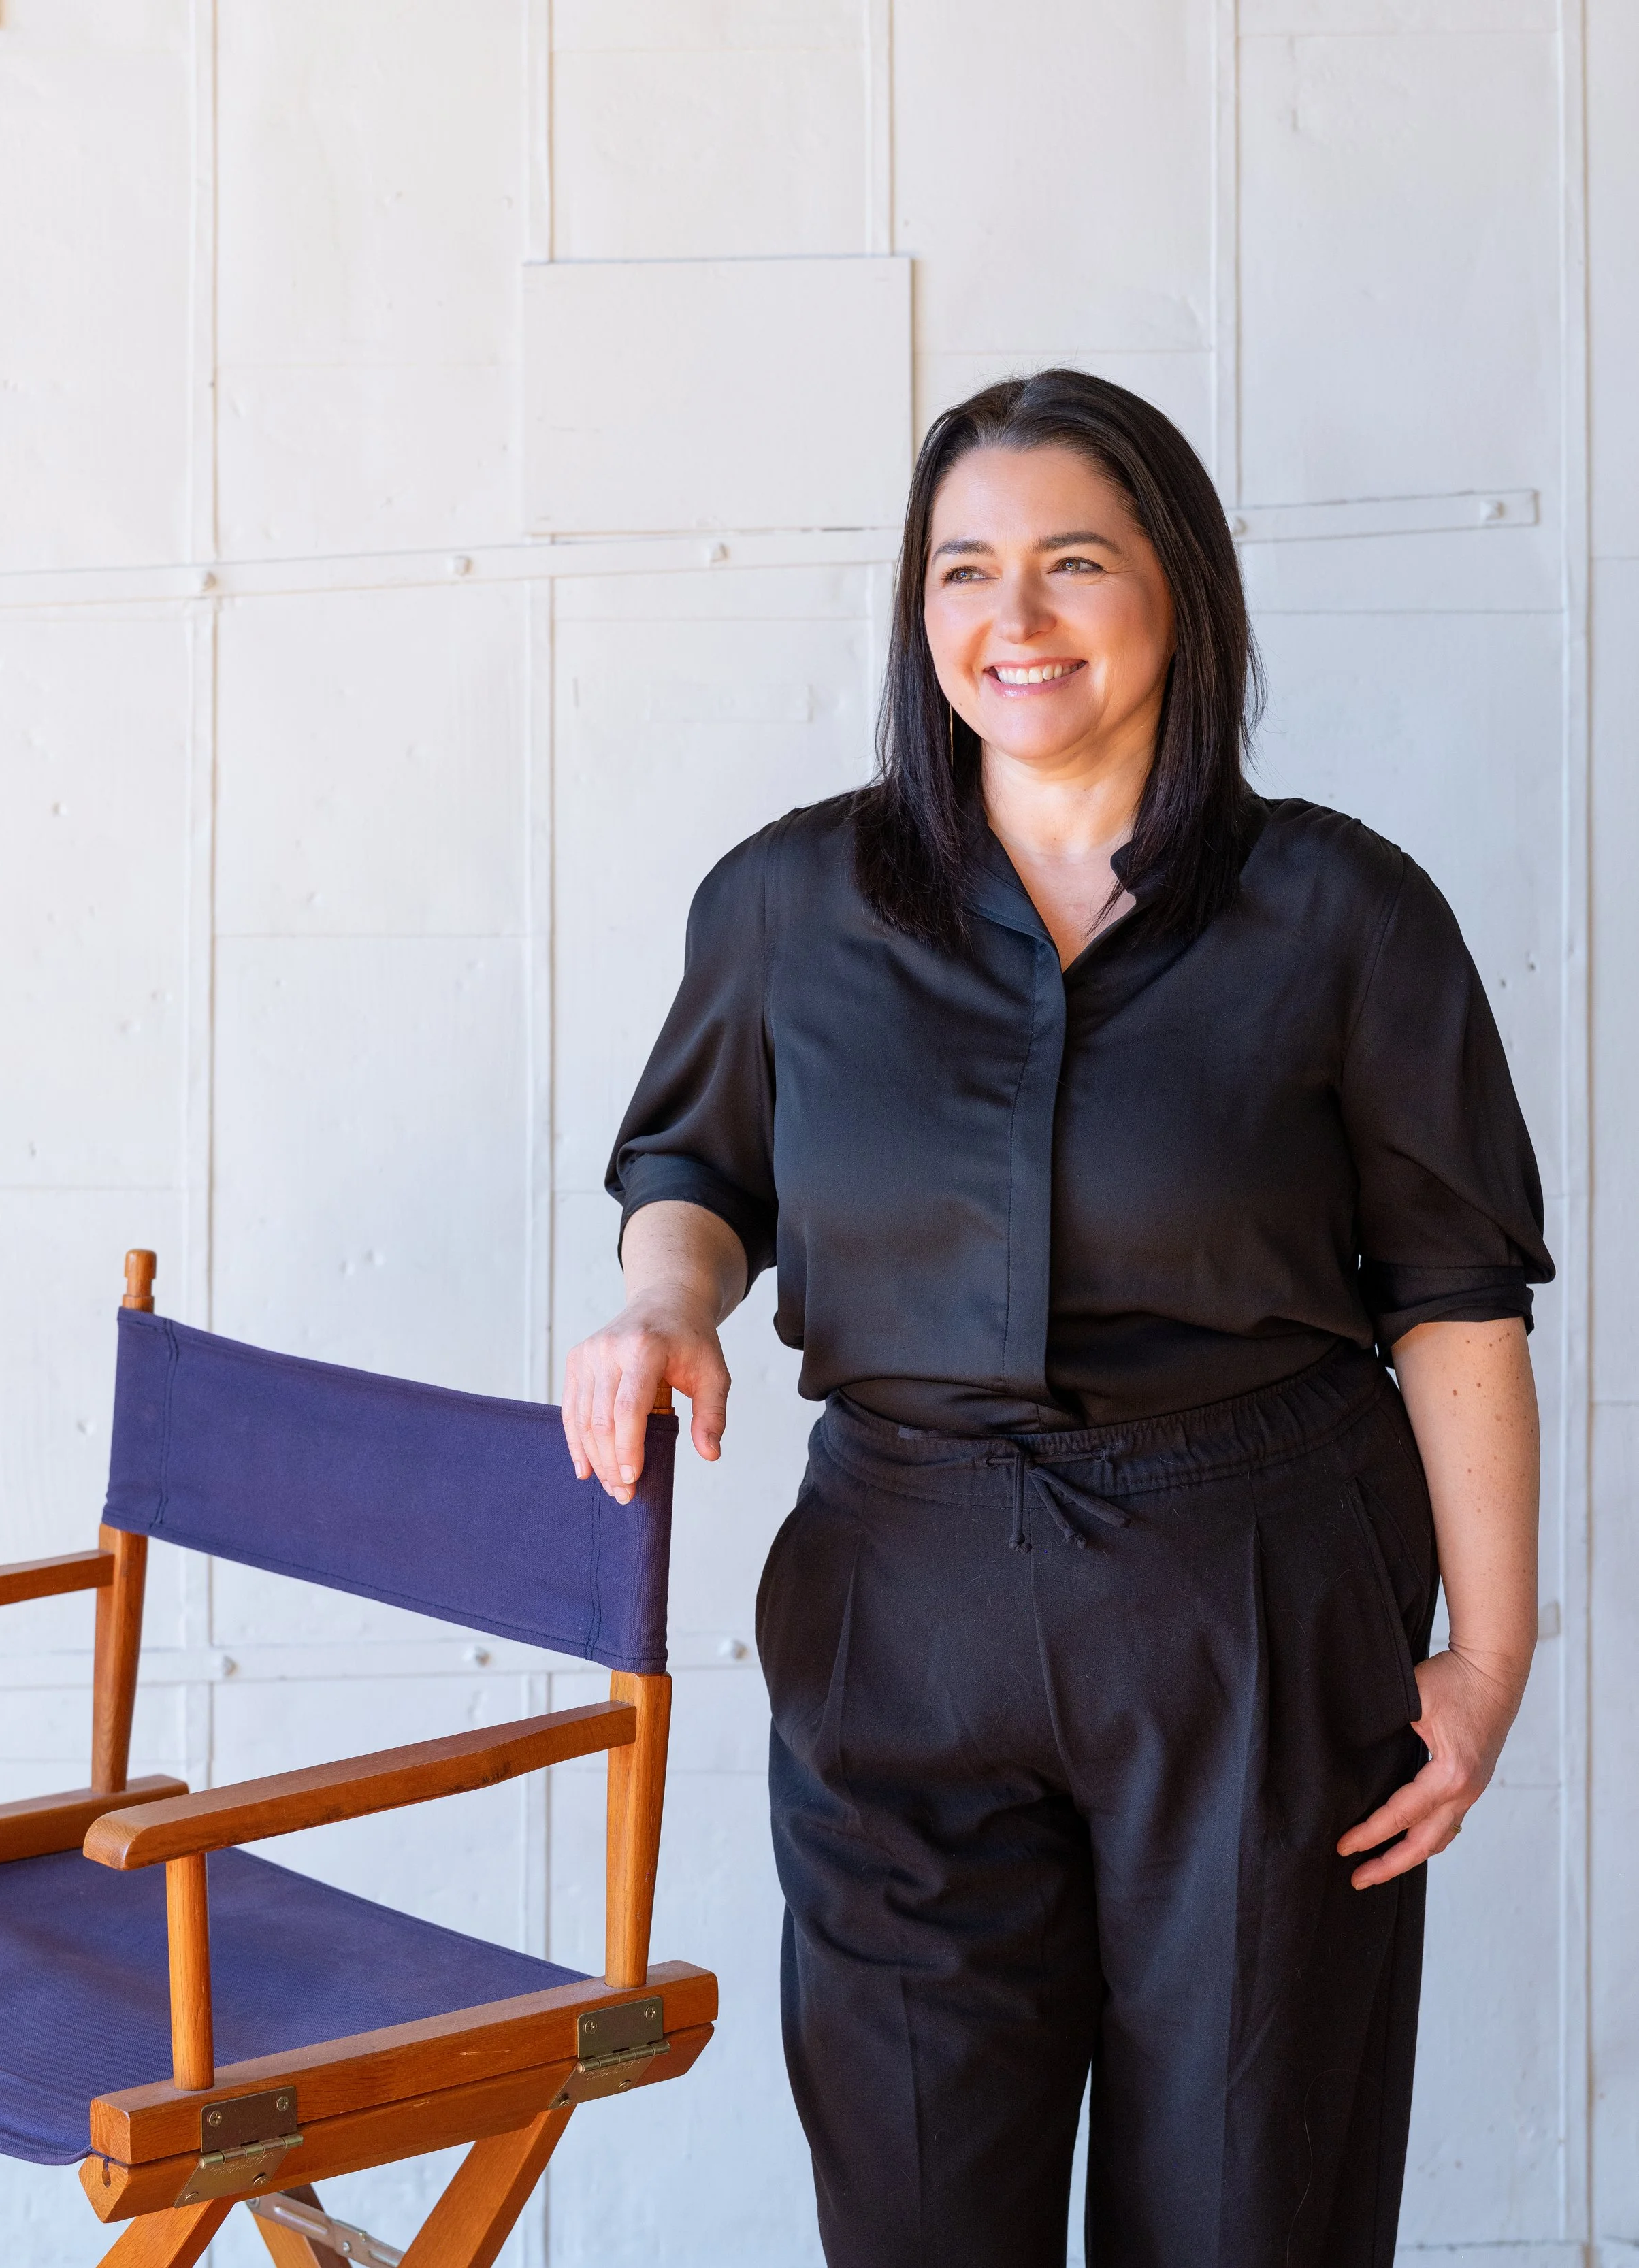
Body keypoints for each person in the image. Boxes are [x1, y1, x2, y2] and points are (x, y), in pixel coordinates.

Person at [560, 370, 1551, 2268]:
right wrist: (655, 1307)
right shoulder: (790, 902)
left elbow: (1451, 1301)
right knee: (921, 2197)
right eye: (962, 571)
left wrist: (1485, 1660)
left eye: (1068, 563)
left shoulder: (1343, 913)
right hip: (896, 1601)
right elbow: (693, 1170)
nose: (1009, 622)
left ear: (1176, 586)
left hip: (1249, 1599)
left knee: (1247, 2200)